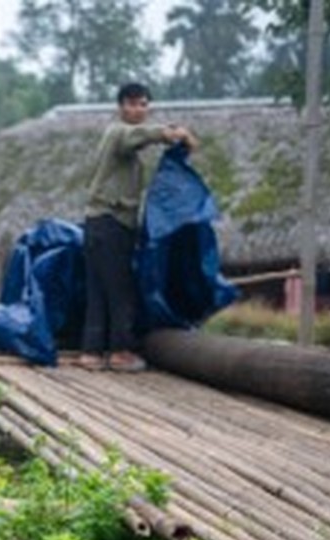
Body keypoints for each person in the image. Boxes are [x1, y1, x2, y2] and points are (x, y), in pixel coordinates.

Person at [79, 82, 197, 373]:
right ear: (120, 107)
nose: (137, 109)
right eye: (131, 104)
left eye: (143, 104)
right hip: (111, 223)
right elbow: (136, 136)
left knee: (100, 291)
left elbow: (138, 138)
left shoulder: (125, 145)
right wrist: (170, 134)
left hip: (97, 223)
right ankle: (120, 352)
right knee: (121, 290)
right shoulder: (117, 132)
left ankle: (91, 353)